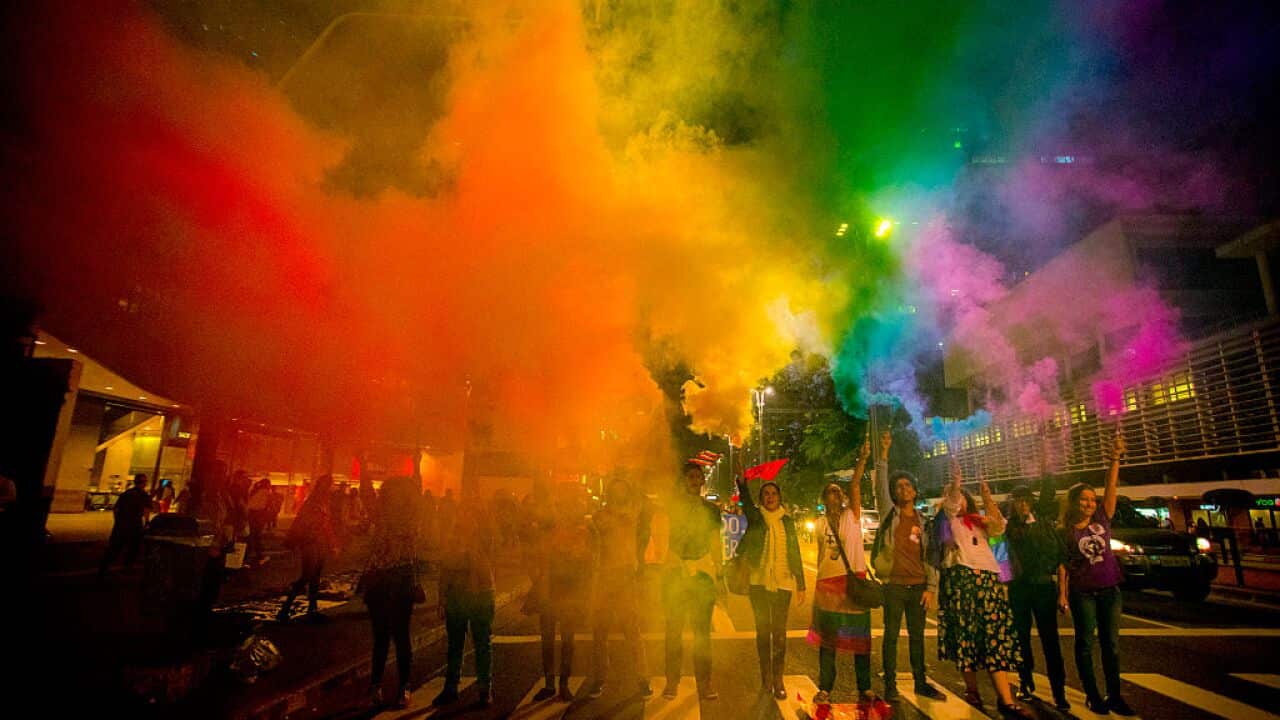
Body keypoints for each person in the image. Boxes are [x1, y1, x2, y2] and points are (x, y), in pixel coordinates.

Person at [936, 459, 1031, 718]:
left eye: (963, 497)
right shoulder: (948, 523)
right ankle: (972, 691)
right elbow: (951, 506)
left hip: (988, 582)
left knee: (994, 642)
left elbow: (1000, 530)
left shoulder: (981, 522)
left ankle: (1006, 699)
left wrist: (987, 496)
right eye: (953, 497)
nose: (958, 500)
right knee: (967, 639)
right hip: (962, 581)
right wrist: (955, 484)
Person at [1061, 433, 1135, 716]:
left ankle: (1114, 696)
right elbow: (1064, 567)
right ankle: (1093, 695)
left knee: (1111, 645)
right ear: (1073, 502)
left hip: (1110, 590)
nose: (1090, 504)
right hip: (1083, 594)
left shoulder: (1102, 518)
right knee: (1084, 644)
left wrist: (1115, 457)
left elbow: (1111, 485)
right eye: (1084, 500)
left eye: (1092, 500)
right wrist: (1063, 596)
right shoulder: (1066, 531)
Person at [870, 431, 946, 701]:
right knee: (890, 637)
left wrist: (931, 588)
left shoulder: (924, 522)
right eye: (898, 487)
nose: (902, 489)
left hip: (918, 588)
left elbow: (933, 555)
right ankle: (890, 684)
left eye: (907, 486)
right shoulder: (889, 514)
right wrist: (884, 454)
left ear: (914, 491)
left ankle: (919, 682)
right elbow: (880, 482)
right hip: (893, 587)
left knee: (917, 638)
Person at [1005, 436, 1070, 711]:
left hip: (1044, 588)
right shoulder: (1008, 528)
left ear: (1031, 503)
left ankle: (1058, 691)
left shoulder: (1043, 522)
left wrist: (1063, 594)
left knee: (1050, 641)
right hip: (1020, 589)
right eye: (1018, 501)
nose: (1022, 505)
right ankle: (1025, 681)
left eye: (1025, 501)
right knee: (1021, 638)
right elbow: (1001, 560)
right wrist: (1005, 585)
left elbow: (1049, 488)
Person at [809, 440, 875, 706]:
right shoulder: (821, 523)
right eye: (829, 494)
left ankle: (865, 688)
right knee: (828, 642)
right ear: (824, 501)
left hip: (853, 583)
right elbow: (820, 555)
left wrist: (862, 460)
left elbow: (856, 485)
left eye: (837, 493)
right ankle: (825, 688)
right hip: (826, 586)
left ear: (843, 498)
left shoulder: (853, 516)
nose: (834, 497)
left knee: (860, 640)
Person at [735, 469, 806, 699]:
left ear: (779, 497)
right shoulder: (757, 518)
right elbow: (745, 501)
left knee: (780, 634)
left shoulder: (787, 522)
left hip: (783, 583)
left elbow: (794, 551)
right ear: (761, 498)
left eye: (773, 493)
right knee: (763, 633)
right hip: (758, 583)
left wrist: (801, 584)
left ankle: (778, 679)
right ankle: (766, 677)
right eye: (766, 493)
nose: (770, 497)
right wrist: (742, 482)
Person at [661, 461, 724, 701]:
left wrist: (719, 571)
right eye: (690, 477)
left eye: (698, 477)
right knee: (673, 630)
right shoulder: (671, 506)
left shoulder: (711, 510)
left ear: (702, 481)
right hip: (675, 571)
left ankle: (705, 683)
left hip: (702, 574)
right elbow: (662, 534)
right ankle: (671, 682)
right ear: (683, 481)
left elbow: (715, 541)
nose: (695, 481)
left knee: (702, 634)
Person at [586, 478, 651, 699]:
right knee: (600, 631)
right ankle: (599, 679)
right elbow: (595, 543)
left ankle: (642, 679)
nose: (619, 494)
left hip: (625, 575)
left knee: (632, 630)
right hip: (604, 576)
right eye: (615, 491)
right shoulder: (600, 516)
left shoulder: (634, 512)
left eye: (623, 490)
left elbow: (644, 507)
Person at [362, 476, 420, 709]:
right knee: (381, 637)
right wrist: (363, 464)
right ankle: (376, 685)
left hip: (400, 578)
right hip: (379, 579)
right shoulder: (381, 514)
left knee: (400, 635)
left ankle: (403, 686)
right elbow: (366, 495)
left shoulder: (409, 517)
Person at [433, 501, 498, 708]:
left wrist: (461, 557)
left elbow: (468, 562)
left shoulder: (485, 537)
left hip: (480, 596)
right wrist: (441, 598)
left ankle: (484, 690)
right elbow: (446, 566)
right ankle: (451, 687)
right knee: (455, 645)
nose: (465, 517)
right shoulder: (453, 537)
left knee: (482, 645)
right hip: (459, 597)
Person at [533, 485, 593, 702]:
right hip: (551, 589)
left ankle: (563, 683)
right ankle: (550, 683)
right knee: (548, 639)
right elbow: (542, 559)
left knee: (568, 639)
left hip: (570, 591)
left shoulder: (583, 531)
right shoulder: (551, 530)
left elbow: (586, 562)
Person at [277, 474, 338, 623]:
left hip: (318, 542)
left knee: (315, 576)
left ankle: (312, 608)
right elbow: (307, 522)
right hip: (310, 541)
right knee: (308, 575)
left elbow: (326, 525)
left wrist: (332, 542)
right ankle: (286, 608)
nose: (331, 488)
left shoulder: (323, 502)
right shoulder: (313, 502)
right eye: (330, 485)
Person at [98, 474, 153, 578]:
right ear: (144, 483)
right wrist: (147, 522)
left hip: (121, 524)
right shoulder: (144, 495)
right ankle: (126, 569)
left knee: (115, 547)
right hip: (135, 524)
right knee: (133, 548)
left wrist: (118, 521)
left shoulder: (126, 494)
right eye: (145, 482)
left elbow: (116, 509)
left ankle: (104, 568)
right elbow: (146, 510)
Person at [246, 478, 272, 566]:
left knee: (252, 534)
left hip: (251, 514)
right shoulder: (265, 492)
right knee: (256, 535)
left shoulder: (254, 490)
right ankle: (258, 556)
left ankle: (250, 554)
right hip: (258, 515)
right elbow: (264, 505)